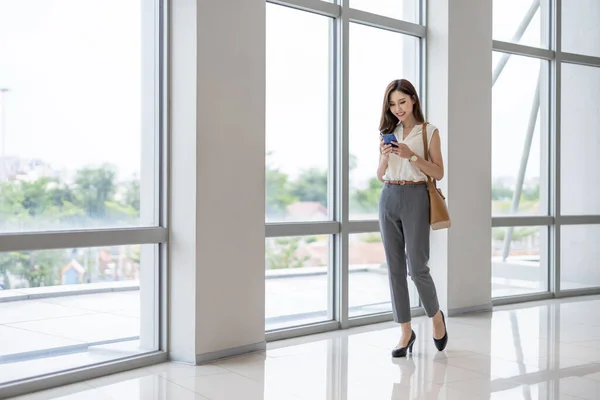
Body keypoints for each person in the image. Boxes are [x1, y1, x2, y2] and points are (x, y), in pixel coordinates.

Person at [377, 79, 448, 357]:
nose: (398, 109)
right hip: (388, 197)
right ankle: (406, 332)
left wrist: (412, 156)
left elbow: (439, 172)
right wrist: (385, 158)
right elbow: (380, 174)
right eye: (393, 104)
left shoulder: (429, 131)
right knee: (394, 269)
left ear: (413, 100)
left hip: (416, 196)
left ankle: (436, 317)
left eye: (402, 102)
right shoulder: (387, 132)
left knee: (417, 267)